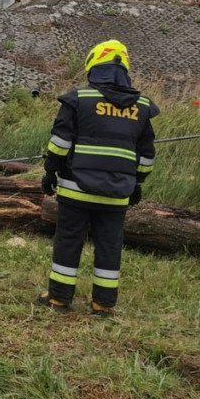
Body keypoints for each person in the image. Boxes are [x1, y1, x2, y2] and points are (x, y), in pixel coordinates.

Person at [37, 40, 157, 318]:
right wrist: (137, 183)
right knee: (109, 244)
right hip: (117, 193)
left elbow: (60, 142)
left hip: (76, 189)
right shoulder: (142, 106)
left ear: (94, 66)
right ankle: (103, 304)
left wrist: (50, 171)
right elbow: (146, 154)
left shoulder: (79, 99)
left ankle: (59, 298)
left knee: (69, 240)